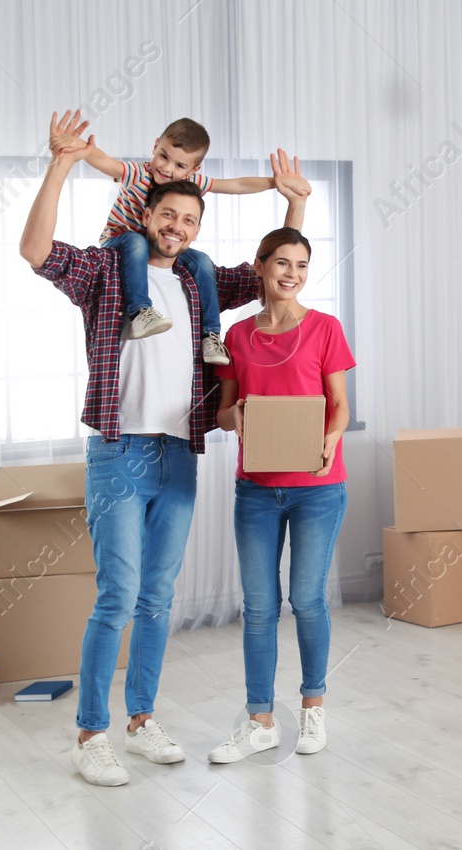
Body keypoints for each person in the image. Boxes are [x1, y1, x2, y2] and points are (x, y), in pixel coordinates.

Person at [20, 112, 309, 787]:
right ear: (146, 213)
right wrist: (62, 162)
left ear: (196, 229)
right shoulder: (105, 273)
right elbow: (37, 252)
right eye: (168, 215)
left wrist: (293, 198)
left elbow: (277, 273)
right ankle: (91, 734)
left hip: (179, 455)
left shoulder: (197, 280)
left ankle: (141, 720)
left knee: (157, 596)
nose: (177, 226)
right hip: (120, 454)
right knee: (118, 594)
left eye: (189, 219)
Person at [206, 228, 354, 763]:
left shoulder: (325, 328)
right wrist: (236, 416)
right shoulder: (239, 336)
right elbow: (224, 412)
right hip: (257, 490)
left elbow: (339, 405)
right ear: (262, 267)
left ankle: (313, 708)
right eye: (282, 263)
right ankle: (260, 722)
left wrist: (331, 438)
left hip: (317, 488)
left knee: (307, 599)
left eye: (301, 265)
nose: (291, 274)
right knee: (260, 606)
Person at [50, 110, 284, 360]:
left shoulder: (193, 182)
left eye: (180, 165)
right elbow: (106, 161)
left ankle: (210, 335)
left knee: (201, 260)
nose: (167, 168)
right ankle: (140, 311)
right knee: (136, 241)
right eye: (163, 156)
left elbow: (236, 185)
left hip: (159, 246)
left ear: (194, 168)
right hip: (120, 241)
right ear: (155, 146)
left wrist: (276, 182)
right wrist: (81, 148)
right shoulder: (139, 173)